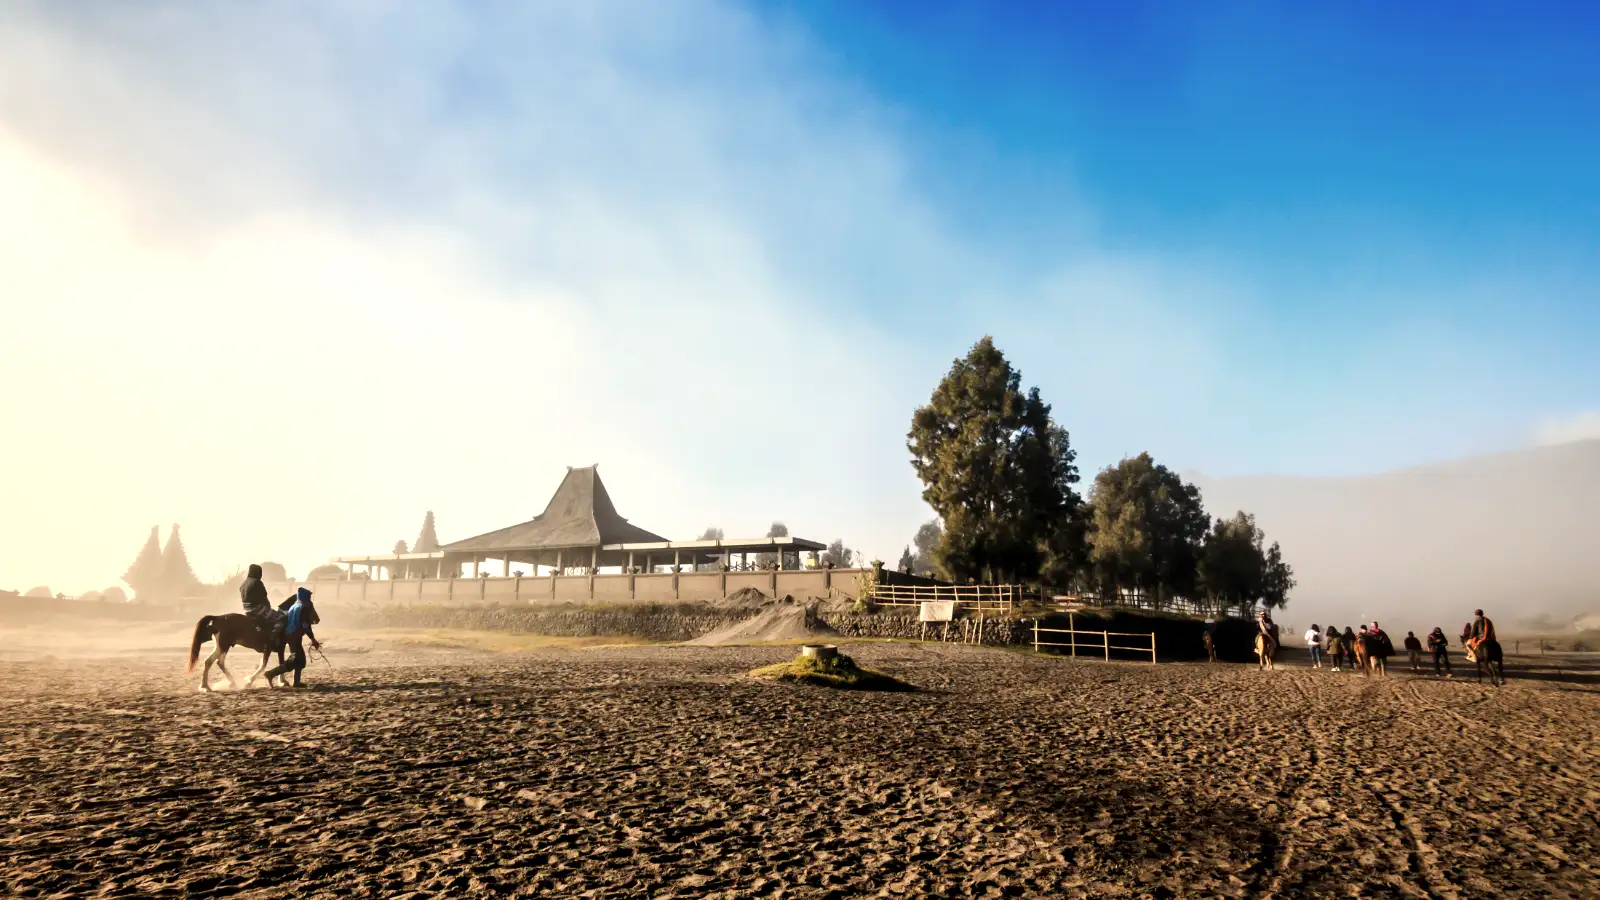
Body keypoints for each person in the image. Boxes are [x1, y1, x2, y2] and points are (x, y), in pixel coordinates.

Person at [264, 587, 320, 688]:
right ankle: (271, 674)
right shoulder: (303, 607)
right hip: (295, 635)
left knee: (299, 659)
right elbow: (305, 625)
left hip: (290, 635)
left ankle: (296, 682)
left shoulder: (294, 606)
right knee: (295, 659)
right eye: (309, 597)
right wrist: (313, 639)